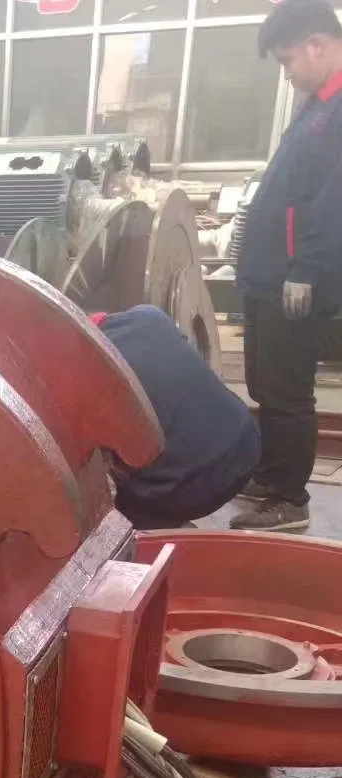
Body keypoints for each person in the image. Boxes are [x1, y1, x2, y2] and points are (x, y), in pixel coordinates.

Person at [232, 0, 342, 533]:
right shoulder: (317, 105)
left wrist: (305, 270)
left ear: (316, 45)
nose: (287, 72)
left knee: (288, 390)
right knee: (264, 383)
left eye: (288, 60)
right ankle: (271, 475)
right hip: (269, 274)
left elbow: (333, 203)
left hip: (295, 279)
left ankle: (289, 500)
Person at [93, 307, 261, 530]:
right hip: (247, 447)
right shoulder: (149, 316)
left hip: (186, 489)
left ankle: (163, 528)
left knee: (111, 510)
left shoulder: (87, 373)